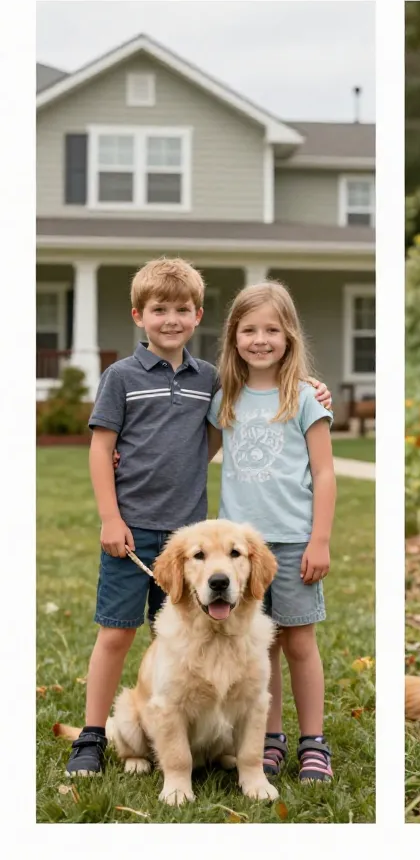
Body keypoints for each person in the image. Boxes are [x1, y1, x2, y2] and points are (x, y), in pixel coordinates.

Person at [66, 258, 331, 777]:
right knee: (118, 633)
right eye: (159, 310)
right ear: (138, 315)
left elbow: (217, 438)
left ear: (198, 315)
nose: (171, 319)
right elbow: (103, 450)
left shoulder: (211, 382)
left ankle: (263, 737)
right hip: (133, 530)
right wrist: (109, 516)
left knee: (214, 640)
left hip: (192, 537)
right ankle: (94, 736)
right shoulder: (123, 377)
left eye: (182, 310)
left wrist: (312, 387)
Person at [208, 280, 337, 783]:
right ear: (233, 337)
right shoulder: (226, 397)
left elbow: (324, 472)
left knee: (299, 642)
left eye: (271, 330)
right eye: (248, 330)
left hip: (293, 539)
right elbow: (197, 453)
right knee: (260, 647)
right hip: (239, 554)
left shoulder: (305, 397)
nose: (260, 340)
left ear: (289, 336)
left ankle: (313, 743)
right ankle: (270, 738)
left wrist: (319, 539)